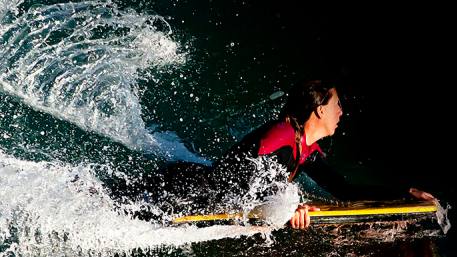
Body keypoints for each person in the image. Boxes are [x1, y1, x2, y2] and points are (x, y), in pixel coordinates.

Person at [124, 79, 434, 228]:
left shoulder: (306, 151)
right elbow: (243, 169)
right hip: (184, 187)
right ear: (320, 109)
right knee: (117, 206)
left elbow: (345, 191)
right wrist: (286, 204)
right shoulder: (281, 132)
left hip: (200, 198)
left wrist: (404, 192)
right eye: (337, 105)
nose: (341, 112)